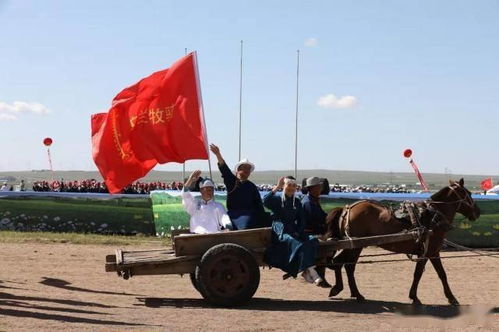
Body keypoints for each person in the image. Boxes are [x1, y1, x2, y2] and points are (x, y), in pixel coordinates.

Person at [263, 176, 328, 287]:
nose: (291, 188)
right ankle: (312, 272)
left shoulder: (297, 202)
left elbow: (302, 220)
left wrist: (299, 231)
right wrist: (277, 187)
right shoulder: (277, 200)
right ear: (284, 186)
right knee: (297, 244)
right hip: (281, 230)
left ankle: (306, 271)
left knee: (312, 240)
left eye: (294, 186)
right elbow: (265, 201)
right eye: (289, 185)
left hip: (294, 229)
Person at [209, 144, 267, 230]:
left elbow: (259, 206)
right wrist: (218, 154)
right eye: (245, 168)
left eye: (249, 169)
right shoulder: (232, 182)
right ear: (238, 170)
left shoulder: (252, 186)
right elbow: (225, 170)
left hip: (250, 217)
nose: (247, 171)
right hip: (234, 217)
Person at [301, 176, 331, 287]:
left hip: (315, 229)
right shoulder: (308, 203)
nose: (320, 189)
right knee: (329, 244)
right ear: (312, 189)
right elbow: (315, 221)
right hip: (309, 232)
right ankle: (316, 273)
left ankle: (320, 275)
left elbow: (322, 216)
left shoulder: (313, 200)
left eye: (320, 187)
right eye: (318, 187)